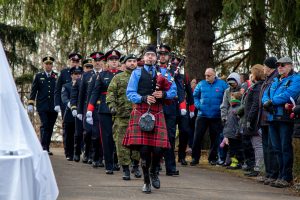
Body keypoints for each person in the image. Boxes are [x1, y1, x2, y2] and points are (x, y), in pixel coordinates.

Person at [123, 45, 177, 193]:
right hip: (141, 110)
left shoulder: (164, 73)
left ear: (156, 57)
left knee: (158, 149)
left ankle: (154, 171)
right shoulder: (137, 73)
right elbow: (130, 93)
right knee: (145, 150)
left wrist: (164, 95)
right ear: (143, 58)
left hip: (157, 111)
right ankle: (146, 180)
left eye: (153, 55)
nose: (151, 57)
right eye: (148, 55)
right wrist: (143, 98)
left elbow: (173, 90)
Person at [262, 56, 300, 188]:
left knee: (285, 148)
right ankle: (278, 175)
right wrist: (266, 102)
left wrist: (272, 102)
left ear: (290, 65)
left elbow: (290, 94)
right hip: (272, 118)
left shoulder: (295, 79)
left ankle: (286, 176)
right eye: (278, 65)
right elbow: (265, 94)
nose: (279, 67)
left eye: (283, 65)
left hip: (285, 119)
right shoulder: (275, 81)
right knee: (276, 148)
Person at [86, 50, 123, 174]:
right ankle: (109, 164)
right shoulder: (101, 75)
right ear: (107, 62)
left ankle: (118, 161)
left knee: (119, 137)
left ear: (118, 62)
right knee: (106, 138)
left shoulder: (123, 74)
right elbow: (95, 92)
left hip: (120, 109)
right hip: (105, 109)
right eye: (111, 60)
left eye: (116, 60)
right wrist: (90, 110)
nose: (114, 62)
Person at [107, 54, 141, 180]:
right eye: (130, 61)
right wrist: (112, 106)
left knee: (137, 143)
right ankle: (125, 169)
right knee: (121, 143)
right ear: (125, 63)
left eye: (134, 61)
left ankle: (136, 166)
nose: (132, 63)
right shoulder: (118, 78)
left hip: (138, 115)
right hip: (121, 116)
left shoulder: (141, 77)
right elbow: (111, 93)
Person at [191, 68, 228, 166]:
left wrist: (222, 109)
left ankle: (212, 158)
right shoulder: (201, 84)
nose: (206, 77)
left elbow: (228, 96)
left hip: (216, 116)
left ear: (214, 75)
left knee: (215, 139)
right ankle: (195, 158)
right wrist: (199, 106)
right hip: (202, 115)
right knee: (197, 137)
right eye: (205, 75)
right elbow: (195, 96)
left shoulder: (222, 84)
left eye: (209, 75)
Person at [28, 56, 58, 155]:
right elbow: (34, 90)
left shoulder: (56, 76)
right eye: (46, 64)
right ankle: (43, 147)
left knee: (50, 126)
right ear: (43, 65)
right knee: (44, 125)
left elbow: (59, 91)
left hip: (53, 106)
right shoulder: (38, 76)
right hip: (42, 105)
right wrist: (31, 103)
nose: (48, 65)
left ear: (52, 65)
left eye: (50, 64)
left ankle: (47, 146)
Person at [257, 57, 279, 185]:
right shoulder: (267, 79)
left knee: (271, 147)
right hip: (264, 118)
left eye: (264, 66)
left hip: (269, 117)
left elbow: (270, 97)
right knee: (266, 147)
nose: (263, 68)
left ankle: (273, 174)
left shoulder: (273, 79)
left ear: (269, 67)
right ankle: (269, 173)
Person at [242, 64, 265, 177]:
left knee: (257, 144)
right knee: (254, 144)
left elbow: (255, 105)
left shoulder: (257, 87)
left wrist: (250, 120)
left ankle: (258, 167)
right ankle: (256, 166)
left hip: (255, 121)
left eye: (252, 73)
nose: (250, 75)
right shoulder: (255, 86)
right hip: (252, 119)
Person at [61, 66, 83, 161]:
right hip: (70, 113)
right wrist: (71, 104)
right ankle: (68, 153)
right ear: (71, 75)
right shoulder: (66, 86)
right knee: (68, 135)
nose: (77, 76)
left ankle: (77, 153)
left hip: (81, 112)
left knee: (78, 134)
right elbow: (64, 97)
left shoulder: (83, 84)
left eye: (79, 74)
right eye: (75, 74)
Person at [54, 53, 82, 117]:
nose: (75, 64)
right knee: (66, 124)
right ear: (69, 61)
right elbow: (57, 89)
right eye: (73, 62)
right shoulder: (63, 73)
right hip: (66, 104)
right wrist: (57, 104)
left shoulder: (82, 72)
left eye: (77, 62)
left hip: (79, 104)